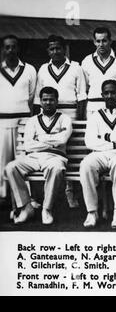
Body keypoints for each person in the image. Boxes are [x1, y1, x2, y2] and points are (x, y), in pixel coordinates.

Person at [5, 87, 72, 225]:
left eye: (51, 100)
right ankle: (26, 207)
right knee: (11, 167)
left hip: (55, 158)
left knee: (57, 169)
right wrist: (52, 141)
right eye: (45, 100)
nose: (48, 102)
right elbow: (29, 146)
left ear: (56, 101)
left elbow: (62, 140)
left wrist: (40, 139)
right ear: (40, 102)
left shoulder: (65, 118)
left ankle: (47, 209)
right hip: (34, 158)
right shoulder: (33, 120)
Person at [34, 34, 87, 208]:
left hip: (70, 114)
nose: (55, 51)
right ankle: (53, 193)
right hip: (48, 114)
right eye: (52, 48)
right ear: (47, 51)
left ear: (64, 49)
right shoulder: (42, 69)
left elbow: (81, 96)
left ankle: (71, 192)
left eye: (58, 48)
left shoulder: (75, 67)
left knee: (71, 154)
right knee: (51, 152)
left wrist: (78, 120)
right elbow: (38, 99)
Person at [80, 79, 116, 229]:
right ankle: (92, 211)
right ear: (102, 95)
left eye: (113, 92)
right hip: (100, 153)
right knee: (86, 164)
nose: (110, 95)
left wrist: (106, 137)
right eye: (106, 93)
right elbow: (90, 142)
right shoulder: (95, 116)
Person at [0, 35, 36, 203]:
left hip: (23, 121)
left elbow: (31, 95)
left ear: (18, 48)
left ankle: (25, 198)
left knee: (23, 160)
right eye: (7, 47)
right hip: (2, 122)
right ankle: (3, 197)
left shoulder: (29, 69)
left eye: (13, 47)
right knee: (2, 160)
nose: (10, 50)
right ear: (3, 49)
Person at [81, 27, 116, 119]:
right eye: (98, 41)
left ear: (110, 41)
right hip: (94, 109)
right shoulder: (87, 61)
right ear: (94, 42)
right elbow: (85, 88)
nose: (101, 44)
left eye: (104, 41)